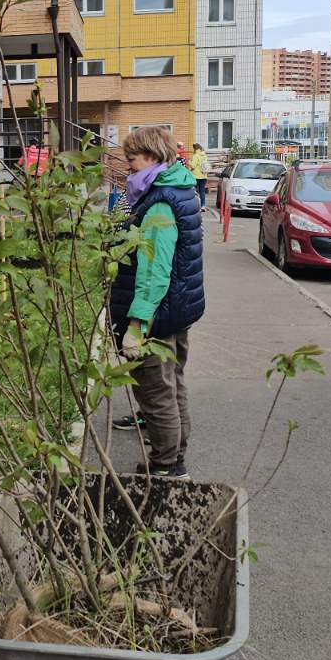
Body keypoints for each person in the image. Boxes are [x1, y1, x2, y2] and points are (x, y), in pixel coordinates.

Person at [108, 127, 205, 479]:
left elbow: (154, 270)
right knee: (173, 383)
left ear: (151, 156)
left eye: (132, 159)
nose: (128, 167)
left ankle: (167, 466)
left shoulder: (160, 202)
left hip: (156, 316)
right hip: (177, 309)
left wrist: (137, 324)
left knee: (156, 392)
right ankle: (174, 454)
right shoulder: (179, 189)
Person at [189, 142, 209, 212]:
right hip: (204, 176)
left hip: (196, 176)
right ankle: (203, 206)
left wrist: (189, 162)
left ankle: (195, 206)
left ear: (195, 148)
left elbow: (193, 166)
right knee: (202, 191)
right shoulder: (204, 155)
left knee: (193, 191)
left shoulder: (196, 155)